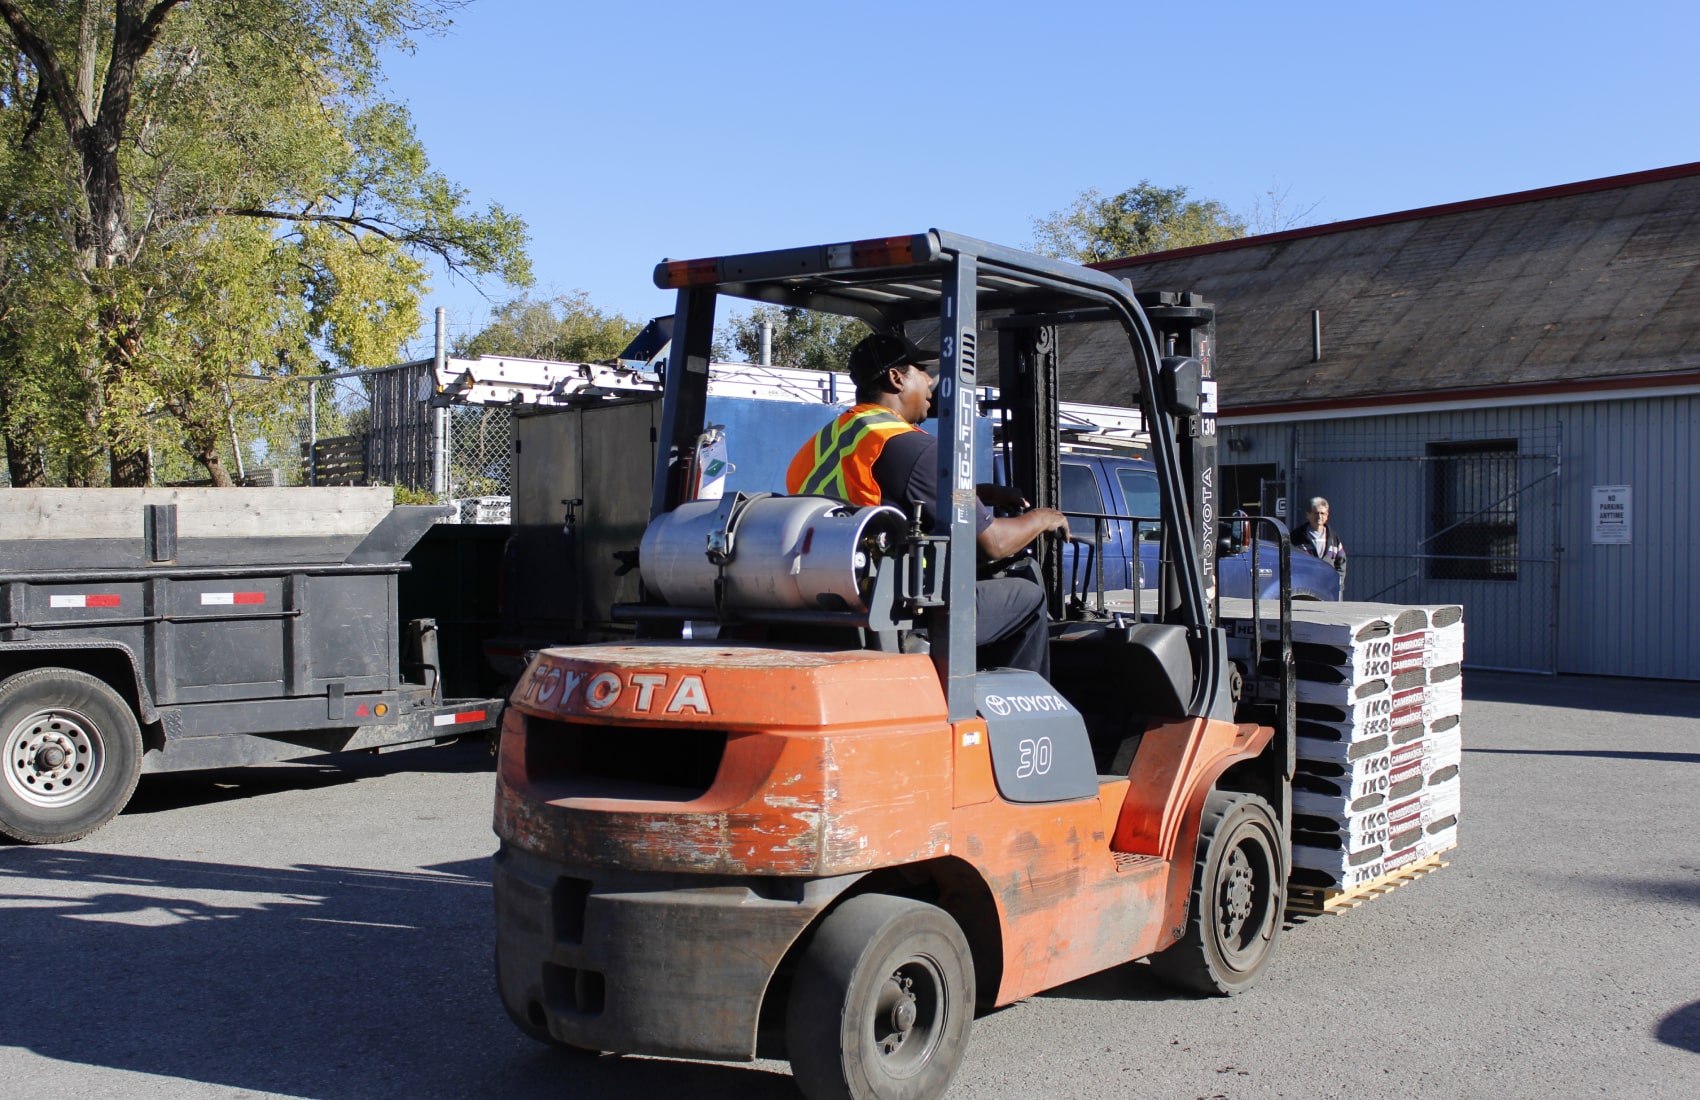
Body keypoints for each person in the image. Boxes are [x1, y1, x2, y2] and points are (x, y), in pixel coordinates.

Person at [787, 333, 1069, 677]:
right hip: (902, 613)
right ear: (896, 377)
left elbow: (885, 493)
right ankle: (1021, 714)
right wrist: (1043, 518)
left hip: (835, 605)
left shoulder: (821, 446)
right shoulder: (914, 448)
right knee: (1026, 596)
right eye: (921, 370)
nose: (931, 379)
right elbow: (992, 543)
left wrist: (977, 493)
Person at [1293, 496, 1347, 594]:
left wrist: (1338, 583)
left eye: (1322, 513)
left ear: (1327, 515)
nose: (1319, 517)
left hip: (1329, 589)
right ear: (1308, 515)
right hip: (1305, 590)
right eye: (1316, 513)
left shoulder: (1333, 537)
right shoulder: (1296, 537)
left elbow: (1341, 562)